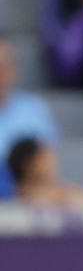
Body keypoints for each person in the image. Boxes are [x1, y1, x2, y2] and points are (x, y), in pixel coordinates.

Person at [0, 36, 58, 199]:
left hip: (30, 197)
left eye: (4, 65)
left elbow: (45, 165)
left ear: (14, 70)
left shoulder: (34, 109)